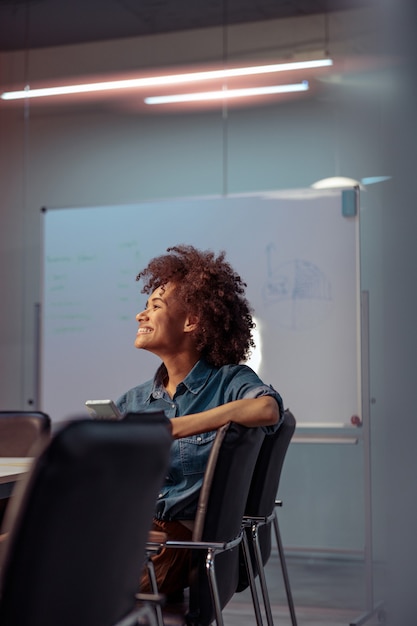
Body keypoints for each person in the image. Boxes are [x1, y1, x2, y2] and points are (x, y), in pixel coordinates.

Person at [116, 244, 284, 599]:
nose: (140, 316)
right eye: (145, 307)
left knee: (68, 588)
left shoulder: (229, 381)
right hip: (133, 531)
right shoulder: (132, 401)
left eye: (155, 307)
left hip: (183, 541)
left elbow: (267, 410)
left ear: (191, 321)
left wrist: (179, 426)